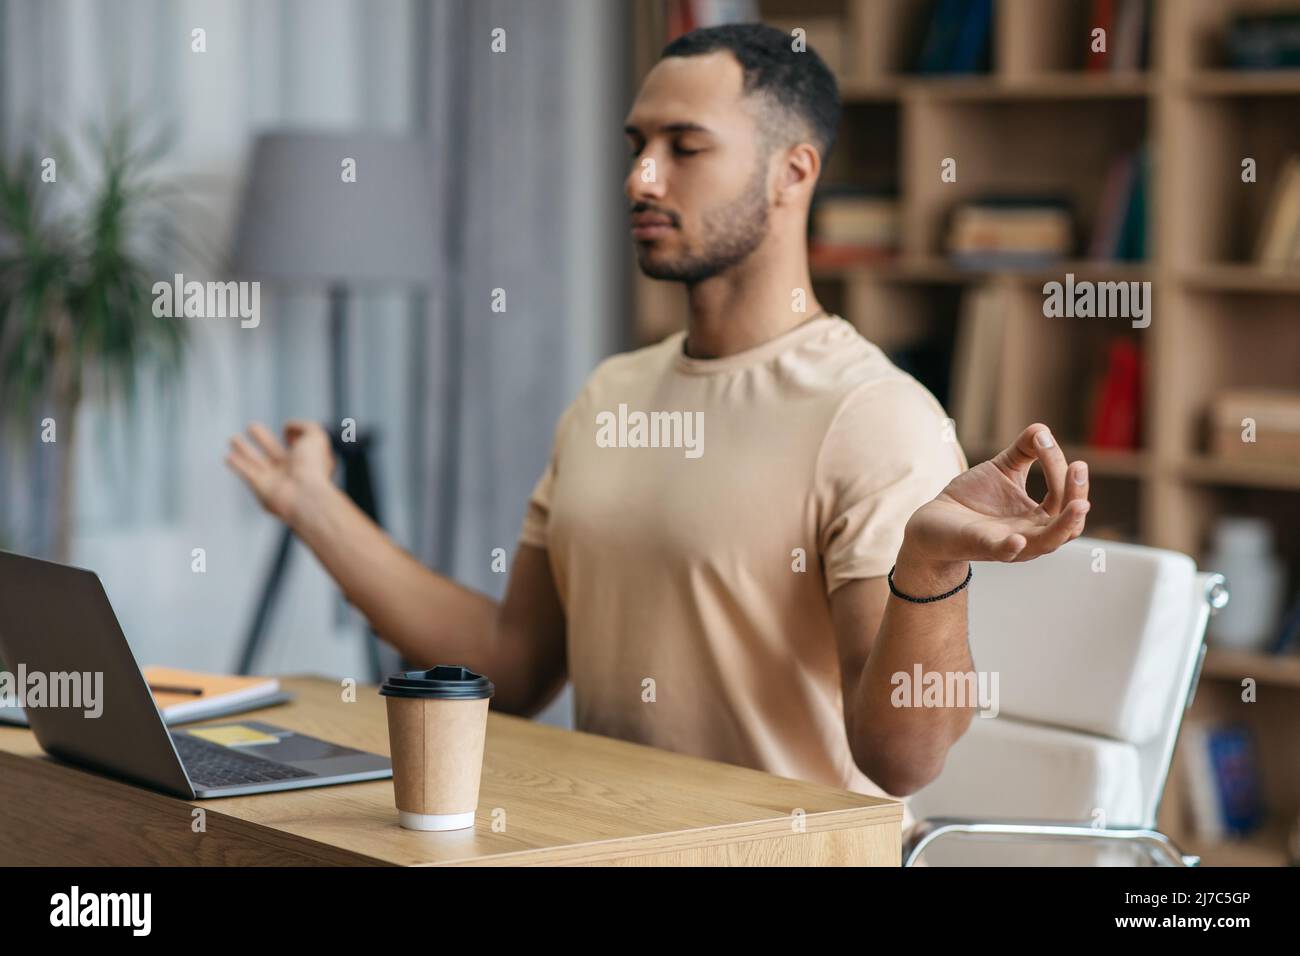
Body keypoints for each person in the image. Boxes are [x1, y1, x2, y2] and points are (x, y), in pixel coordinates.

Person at [225, 23, 1090, 823]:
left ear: (794, 172)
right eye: (638, 146)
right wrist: (314, 505)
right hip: (603, 841)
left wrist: (930, 566)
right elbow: (514, 666)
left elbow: (902, 761)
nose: (641, 177)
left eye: (685, 147)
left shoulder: (876, 415)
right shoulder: (611, 394)